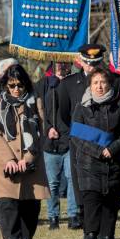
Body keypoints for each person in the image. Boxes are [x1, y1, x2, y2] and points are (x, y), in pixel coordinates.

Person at [57, 44, 120, 231]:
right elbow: (64, 115)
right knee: (83, 188)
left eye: (95, 63)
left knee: (110, 189)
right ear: (81, 62)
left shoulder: (116, 81)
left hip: (109, 146)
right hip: (82, 146)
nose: (91, 67)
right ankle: (86, 223)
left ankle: (105, 230)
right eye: (88, 63)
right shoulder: (69, 84)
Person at [70, 68, 120, 239]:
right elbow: (76, 136)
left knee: (111, 199)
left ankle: (108, 235)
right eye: (95, 82)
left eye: (103, 82)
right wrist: (98, 151)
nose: (99, 86)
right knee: (92, 199)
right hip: (88, 163)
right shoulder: (82, 106)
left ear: (109, 83)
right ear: (90, 85)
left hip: (114, 161)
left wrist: (112, 149)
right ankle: (90, 234)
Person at [0, 64, 49, 239]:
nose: (16, 89)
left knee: (31, 204)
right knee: (6, 203)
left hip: (31, 161)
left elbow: (41, 131)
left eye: (20, 85)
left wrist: (28, 158)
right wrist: (10, 159)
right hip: (5, 161)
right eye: (12, 85)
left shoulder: (35, 101)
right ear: (5, 85)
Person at [35, 60, 79, 230]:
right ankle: (53, 217)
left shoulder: (75, 82)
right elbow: (37, 111)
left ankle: (73, 215)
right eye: (57, 63)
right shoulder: (43, 84)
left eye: (64, 63)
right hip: (50, 142)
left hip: (70, 139)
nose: (61, 66)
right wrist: (47, 129)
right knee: (52, 182)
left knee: (71, 179)